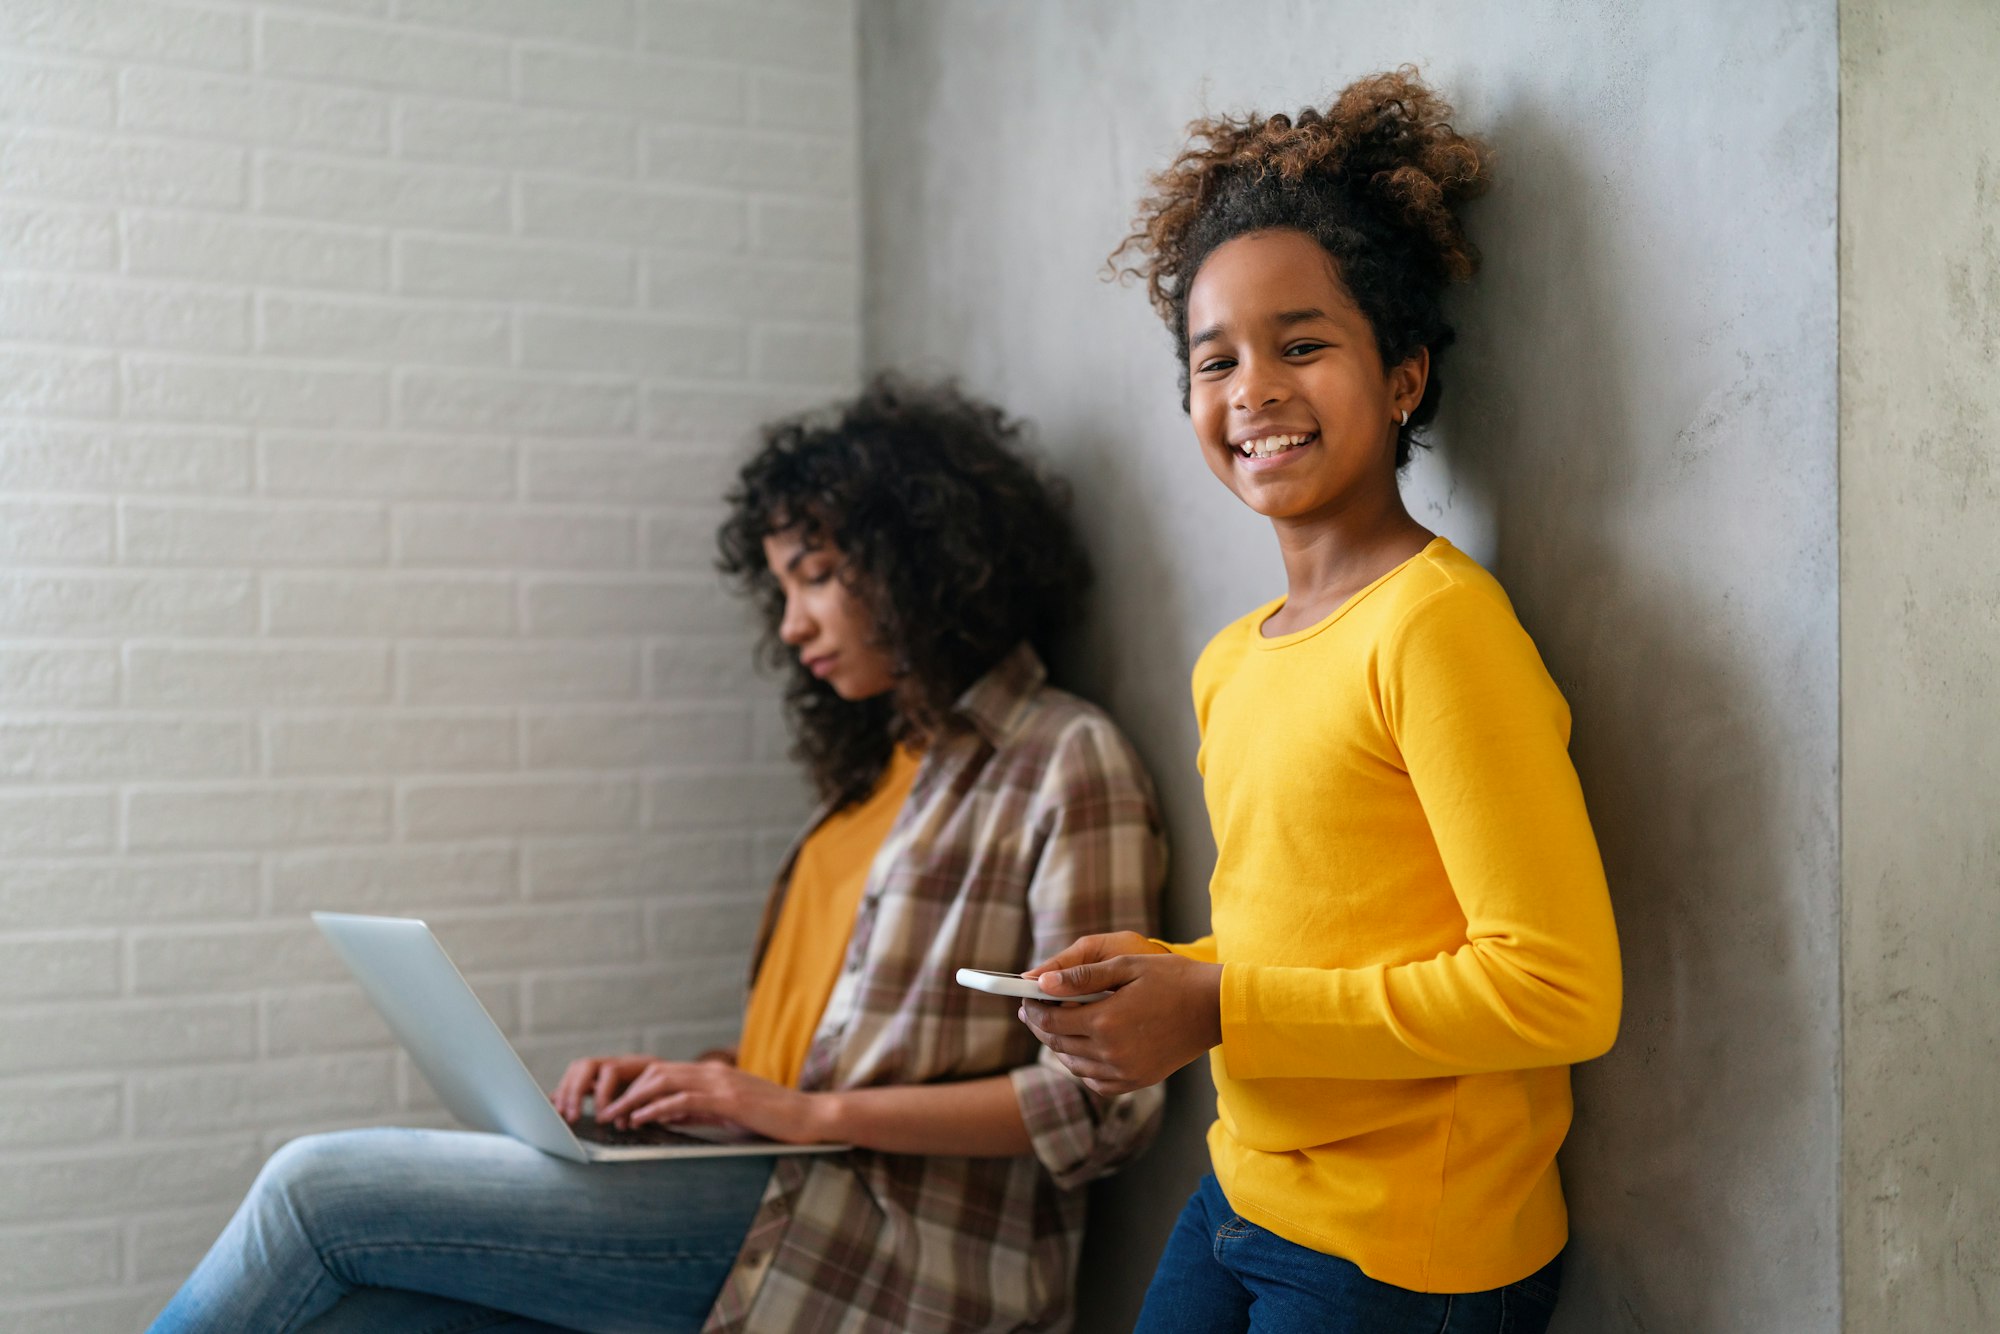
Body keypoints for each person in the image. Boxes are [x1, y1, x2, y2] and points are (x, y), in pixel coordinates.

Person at [150, 376, 1168, 1334]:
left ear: (920, 559)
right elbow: (817, 1060)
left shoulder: (1061, 759)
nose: (791, 622)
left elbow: (1097, 1100)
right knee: (357, 1313)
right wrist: (702, 1083)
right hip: (764, 1181)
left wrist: (801, 1108)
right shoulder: (869, 785)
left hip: (889, 1251)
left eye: (814, 575)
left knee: (315, 1188)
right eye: (779, 587)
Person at [1018, 69, 1623, 1333]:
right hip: (1242, 1193)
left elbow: (1557, 986)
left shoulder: (1438, 628)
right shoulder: (1231, 658)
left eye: (1302, 345)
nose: (1253, 390)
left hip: (1407, 1250)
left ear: (1401, 376)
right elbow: (1320, 936)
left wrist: (1221, 1004)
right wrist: (1161, 977)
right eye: (1215, 358)